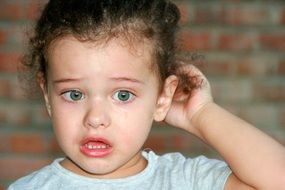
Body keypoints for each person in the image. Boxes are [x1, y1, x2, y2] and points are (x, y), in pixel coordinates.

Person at [8, 0, 285, 189]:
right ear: (47, 95)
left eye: (123, 95)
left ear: (163, 97)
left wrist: (201, 114)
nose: (95, 118)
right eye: (74, 94)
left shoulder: (186, 181)